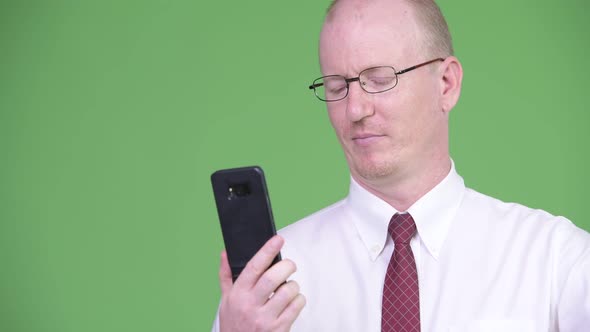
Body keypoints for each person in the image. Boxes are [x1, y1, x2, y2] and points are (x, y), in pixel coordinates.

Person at [212, 0, 590, 331]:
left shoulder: (556, 261)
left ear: (446, 84)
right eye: (336, 86)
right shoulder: (270, 285)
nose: (356, 110)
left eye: (379, 79)